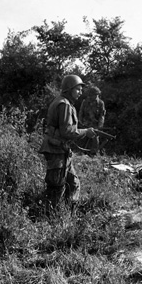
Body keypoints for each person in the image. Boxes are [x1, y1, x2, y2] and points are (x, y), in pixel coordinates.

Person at [38, 74, 96, 213]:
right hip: (56, 151)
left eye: (81, 90)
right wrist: (85, 132)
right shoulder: (64, 105)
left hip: (62, 151)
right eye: (77, 89)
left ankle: (69, 216)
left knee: (73, 184)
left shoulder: (65, 103)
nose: (80, 92)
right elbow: (67, 132)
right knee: (56, 188)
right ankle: (50, 218)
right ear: (68, 89)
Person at [78, 85, 106, 155]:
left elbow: (101, 116)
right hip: (85, 123)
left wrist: (100, 127)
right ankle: (82, 153)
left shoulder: (100, 103)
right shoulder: (85, 102)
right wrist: (80, 122)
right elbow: (81, 113)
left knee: (95, 138)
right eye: (93, 95)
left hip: (95, 124)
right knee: (82, 138)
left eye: (96, 95)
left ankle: (94, 153)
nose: (94, 96)